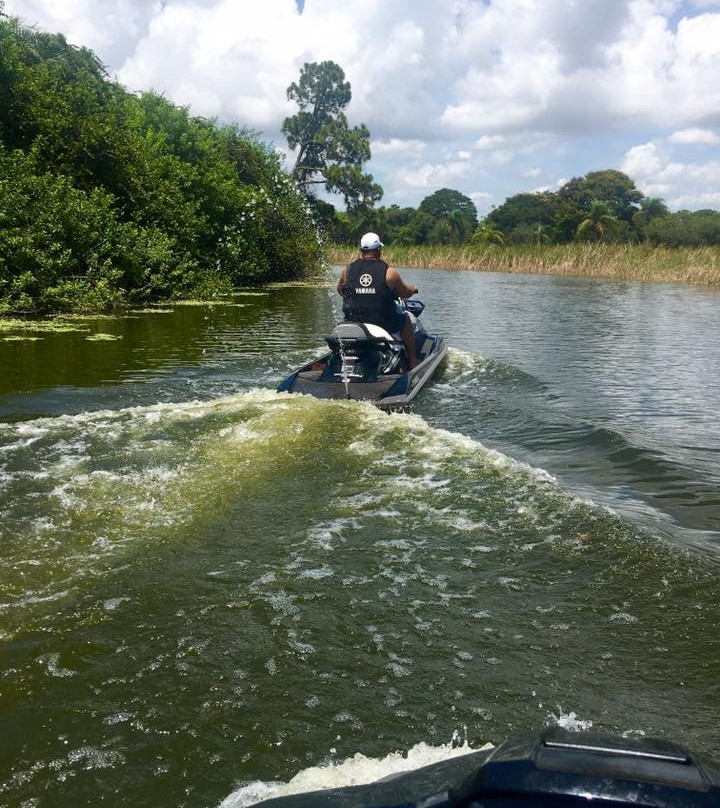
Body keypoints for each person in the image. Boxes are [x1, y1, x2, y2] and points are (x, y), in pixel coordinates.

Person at [336, 232, 419, 369]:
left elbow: (340, 290)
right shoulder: (389, 272)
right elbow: (405, 292)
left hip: (354, 322)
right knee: (406, 319)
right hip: (382, 323)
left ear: (362, 250)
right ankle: (412, 361)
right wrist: (413, 289)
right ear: (378, 250)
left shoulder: (348, 270)